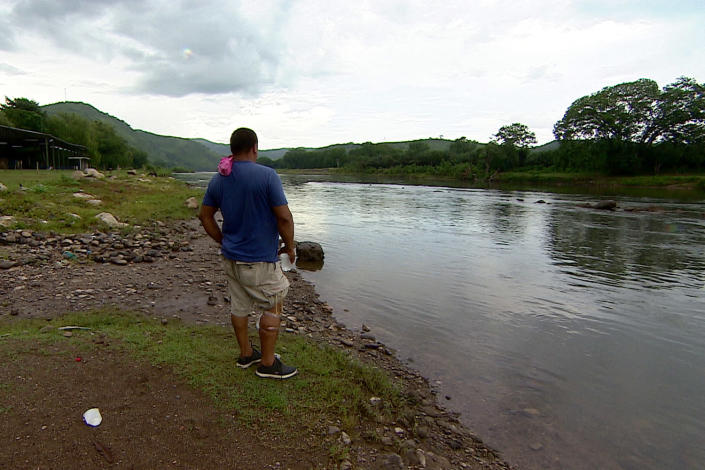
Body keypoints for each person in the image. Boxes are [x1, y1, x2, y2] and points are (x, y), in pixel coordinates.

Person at [198, 127, 298, 379]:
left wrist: (222, 240)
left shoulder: (218, 179)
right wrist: (290, 245)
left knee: (240, 305)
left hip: (231, 258)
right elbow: (284, 218)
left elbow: (205, 216)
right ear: (255, 147)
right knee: (274, 301)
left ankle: (246, 354)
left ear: (232, 150)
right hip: (259, 260)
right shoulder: (267, 176)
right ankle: (267, 363)